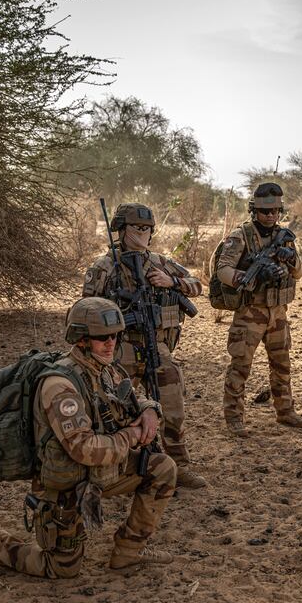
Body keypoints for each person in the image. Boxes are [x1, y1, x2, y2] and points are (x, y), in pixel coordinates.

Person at [0, 297, 177, 577]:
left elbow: (131, 397)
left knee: (162, 468)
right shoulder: (60, 386)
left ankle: (128, 552)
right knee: (61, 569)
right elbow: (84, 449)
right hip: (64, 486)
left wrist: (149, 411)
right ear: (82, 339)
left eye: (115, 336)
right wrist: (131, 435)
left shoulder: (105, 368)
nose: (111, 343)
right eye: (101, 337)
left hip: (99, 473)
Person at [83, 202, 206, 489]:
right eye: (137, 228)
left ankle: (179, 464)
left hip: (156, 346)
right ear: (121, 230)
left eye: (148, 229)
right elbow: (84, 309)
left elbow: (197, 285)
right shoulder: (104, 266)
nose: (143, 233)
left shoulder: (160, 262)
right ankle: (121, 470)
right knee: (115, 411)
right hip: (119, 349)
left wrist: (171, 281)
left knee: (172, 403)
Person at [215, 182, 302, 436]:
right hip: (250, 311)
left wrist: (291, 259)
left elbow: (299, 273)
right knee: (240, 366)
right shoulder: (240, 236)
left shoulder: (284, 237)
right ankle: (234, 418)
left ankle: (285, 411)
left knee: (282, 363)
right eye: (265, 211)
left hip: (278, 311)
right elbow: (223, 270)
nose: (270, 216)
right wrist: (251, 276)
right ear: (253, 210)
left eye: (275, 211)